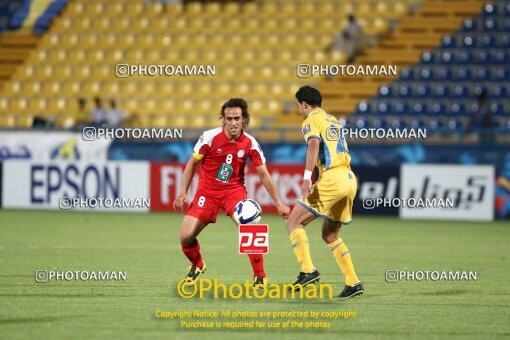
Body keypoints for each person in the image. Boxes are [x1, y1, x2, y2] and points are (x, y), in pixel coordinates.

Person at [173, 98, 290, 287]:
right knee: (186, 236)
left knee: (249, 226)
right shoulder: (209, 137)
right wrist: (182, 191)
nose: (233, 123)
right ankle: (198, 264)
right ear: (224, 119)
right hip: (207, 191)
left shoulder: (250, 143)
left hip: (233, 192)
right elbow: (192, 163)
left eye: (237, 118)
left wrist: (278, 202)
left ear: (244, 119)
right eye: (229, 119)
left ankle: (260, 276)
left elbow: (264, 174)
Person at [284, 86, 364, 298]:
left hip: (333, 178)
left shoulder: (311, 120)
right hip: (349, 178)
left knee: (293, 221)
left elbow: (313, 145)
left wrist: (306, 177)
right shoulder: (334, 120)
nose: (299, 111)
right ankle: (353, 281)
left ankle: (308, 270)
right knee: (330, 234)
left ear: (305, 104)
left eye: (298, 106)